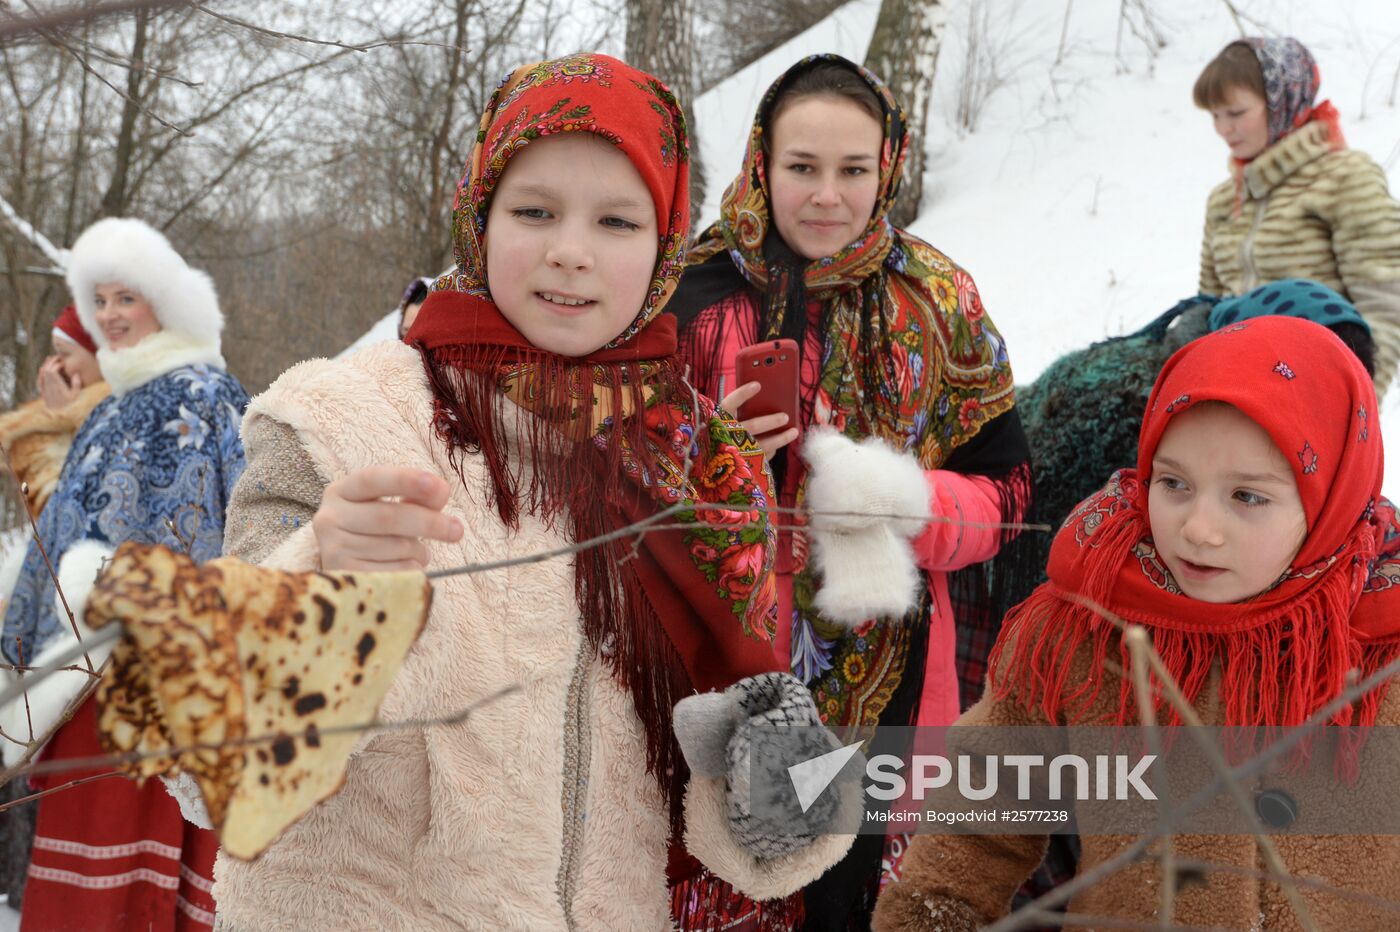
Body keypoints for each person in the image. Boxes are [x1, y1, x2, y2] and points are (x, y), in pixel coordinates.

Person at [205, 53, 855, 928]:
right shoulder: (334, 422)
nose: (570, 252)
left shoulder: (698, 466)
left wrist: (780, 756)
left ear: (665, 245)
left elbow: (760, 848)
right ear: (480, 216)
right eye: (534, 210)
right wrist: (315, 578)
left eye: (618, 221)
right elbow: (205, 753)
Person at [872, 316, 1400, 930]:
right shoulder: (1086, 625)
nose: (1199, 528)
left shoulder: (1383, 639)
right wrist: (936, 914)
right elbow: (986, 800)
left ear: (1330, 492)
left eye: (1247, 497)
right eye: (1173, 483)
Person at [669, 54, 1029, 925]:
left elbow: (1011, 492)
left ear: (888, 167)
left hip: (890, 685)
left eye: (853, 170)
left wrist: (913, 506)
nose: (827, 196)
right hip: (707, 668)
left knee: (845, 903)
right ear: (761, 163)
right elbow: (609, 477)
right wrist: (708, 456)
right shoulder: (684, 294)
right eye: (802, 168)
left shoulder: (939, 301)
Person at [0, 217, 248, 931]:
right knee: (84, 864)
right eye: (99, 299)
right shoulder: (113, 404)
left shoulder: (206, 393)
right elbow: (64, 524)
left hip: (160, 679)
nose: (109, 315)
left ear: (163, 303)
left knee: (137, 871)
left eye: (125, 299)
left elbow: (238, 520)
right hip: (83, 678)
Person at [1195, 37, 1400, 390]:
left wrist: (1355, 408)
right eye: (1215, 115)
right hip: (1236, 395)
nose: (1222, 129)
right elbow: (1207, 309)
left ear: (1281, 103)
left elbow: (1386, 302)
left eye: (1236, 113)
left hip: (1318, 388)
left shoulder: (1345, 176)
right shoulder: (1224, 199)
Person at [0, 306, 108, 911]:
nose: (56, 364)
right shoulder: (85, 418)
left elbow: (62, 523)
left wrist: (51, 421)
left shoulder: (109, 420)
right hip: (51, 634)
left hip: (84, 646)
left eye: (67, 350)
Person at [0, 307, 109, 520]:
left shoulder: (121, 418)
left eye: (64, 354)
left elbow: (59, 519)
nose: (53, 367)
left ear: (101, 355)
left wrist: (58, 424)